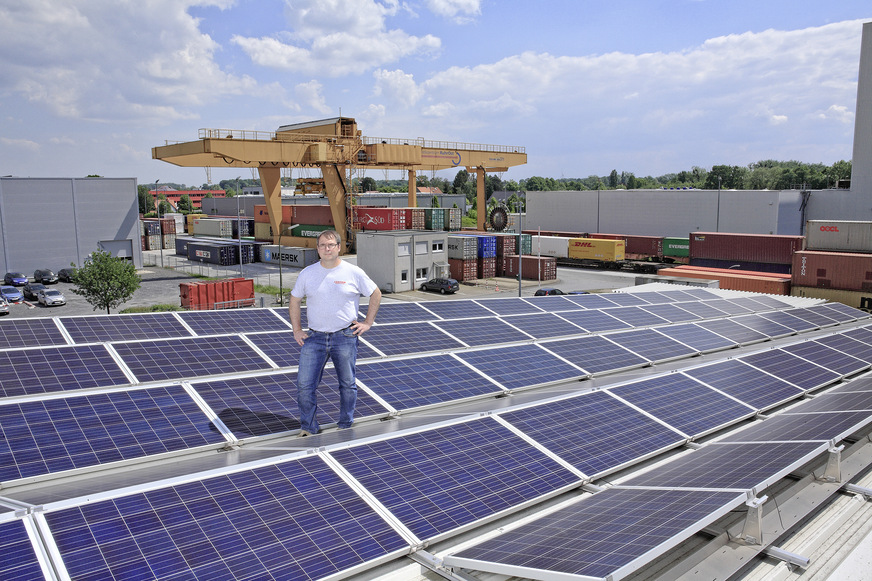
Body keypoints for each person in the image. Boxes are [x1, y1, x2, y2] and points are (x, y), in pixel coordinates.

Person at [289, 229, 381, 436]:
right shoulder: (307, 273)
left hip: (345, 337)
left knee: (347, 385)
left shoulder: (353, 272)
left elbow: (376, 293)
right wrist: (296, 330)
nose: (326, 248)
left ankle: (345, 423)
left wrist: (368, 322)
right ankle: (308, 427)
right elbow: (294, 300)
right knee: (304, 386)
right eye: (322, 245)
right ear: (317, 249)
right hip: (314, 338)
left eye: (331, 245)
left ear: (339, 247)